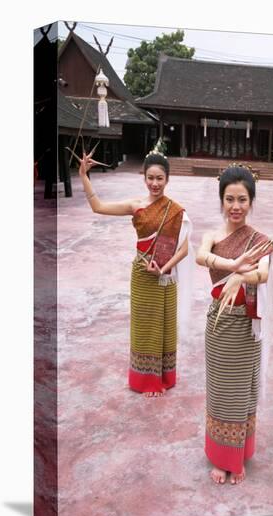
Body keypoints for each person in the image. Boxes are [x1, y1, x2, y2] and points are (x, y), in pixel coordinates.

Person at [78, 148, 192, 398]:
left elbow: (185, 247)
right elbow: (98, 206)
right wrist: (84, 176)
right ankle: (147, 381)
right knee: (144, 326)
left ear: (167, 179)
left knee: (164, 325)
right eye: (150, 178)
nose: (155, 183)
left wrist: (163, 267)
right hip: (142, 276)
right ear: (144, 178)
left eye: (159, 178)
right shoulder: (136, 206)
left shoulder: (176, 210)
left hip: (164, 276)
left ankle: (164, 376)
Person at [196, 164, 273, 485]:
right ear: (221, 200)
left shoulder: (260, 240)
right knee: (219, 391)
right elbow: (201, 256)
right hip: (219, 323)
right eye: (230, 199)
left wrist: (241, 275)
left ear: (251, 201)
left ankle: (236, 454)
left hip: (245, 326)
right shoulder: (212, 236)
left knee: (241, 392)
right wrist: (231, 264)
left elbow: (264, 273)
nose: (236, 206)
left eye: (242, 199)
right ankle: (220, 457)